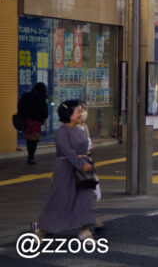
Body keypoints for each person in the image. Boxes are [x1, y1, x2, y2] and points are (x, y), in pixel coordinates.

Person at [33, 100, 96, 240]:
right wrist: (81, 163)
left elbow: (83, 146)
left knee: (84, 198)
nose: (82, 114)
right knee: (60, 199)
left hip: (81, 170)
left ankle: (85, 230)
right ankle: (42, 227)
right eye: (78, 111)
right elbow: (68, 152)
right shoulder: (62, 132)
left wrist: (87, 155)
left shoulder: (78, 129)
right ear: (69, 114)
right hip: (66, 170)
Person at [18, 83, 48, 164]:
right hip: (36, 122)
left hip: (27, 121)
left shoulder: (26, 96)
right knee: (34, 140)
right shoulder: (41, 98)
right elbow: (45, 113)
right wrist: (45, 122)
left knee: (29, 140)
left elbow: (20, 107)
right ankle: (31, 157)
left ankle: (30, 156)